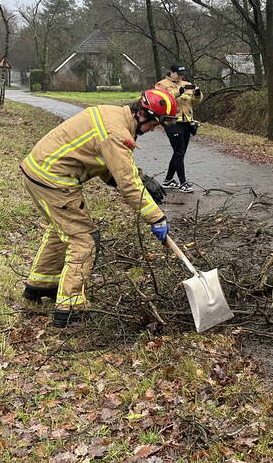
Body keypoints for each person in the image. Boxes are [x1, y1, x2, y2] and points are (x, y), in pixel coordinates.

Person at [20, 89, 177, 328]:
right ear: (142, 114)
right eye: (154, 124)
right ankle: (70, 309)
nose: (153, 129)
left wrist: (140, 177)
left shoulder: (111, 115)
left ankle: (41, 285)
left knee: (62, 231)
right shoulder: (116, 133)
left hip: (38, 172)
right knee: (83, 239)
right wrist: (156, 218)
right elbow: (128, 184)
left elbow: (104, 162)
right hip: (54, 180)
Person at [155, 64, 203, 194]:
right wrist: (179, 91)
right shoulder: (161, 84)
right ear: (171, 72)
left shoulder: (187, 84)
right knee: (179, 152)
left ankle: (168, 180)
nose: (181, 76)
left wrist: (198, 94)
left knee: (179, 152)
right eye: (178, 73)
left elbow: (194, 102)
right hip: (172, 122)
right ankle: (183, 183)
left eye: (182, 74)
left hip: (187, 122)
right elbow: (162, 100)